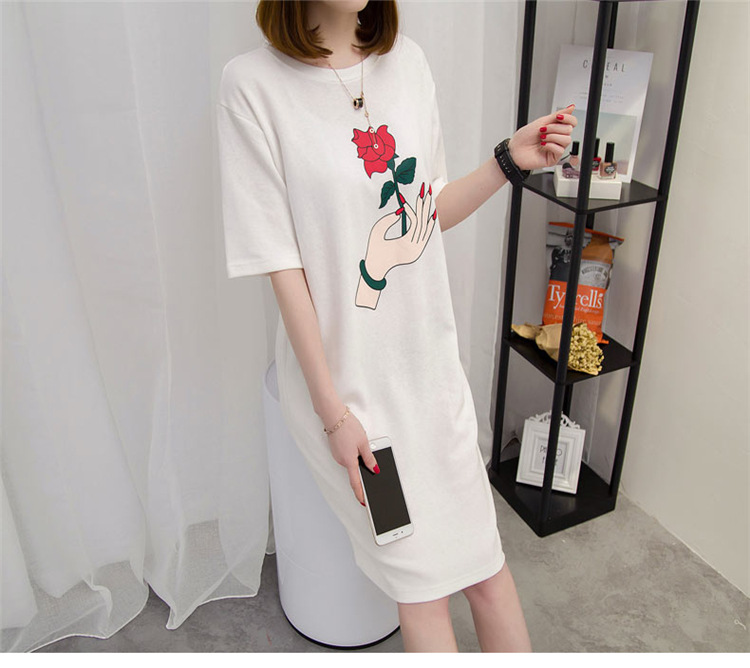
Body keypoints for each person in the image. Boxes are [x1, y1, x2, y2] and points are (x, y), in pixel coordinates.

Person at [216, 0, 575, 653]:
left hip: (432, 382)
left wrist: (508, 160)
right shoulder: (252, 87)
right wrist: (333, 415)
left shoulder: (407, 64)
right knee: (421, 589)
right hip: (355, 402)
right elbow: (283, 268)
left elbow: (426, 212)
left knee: (487, 572)